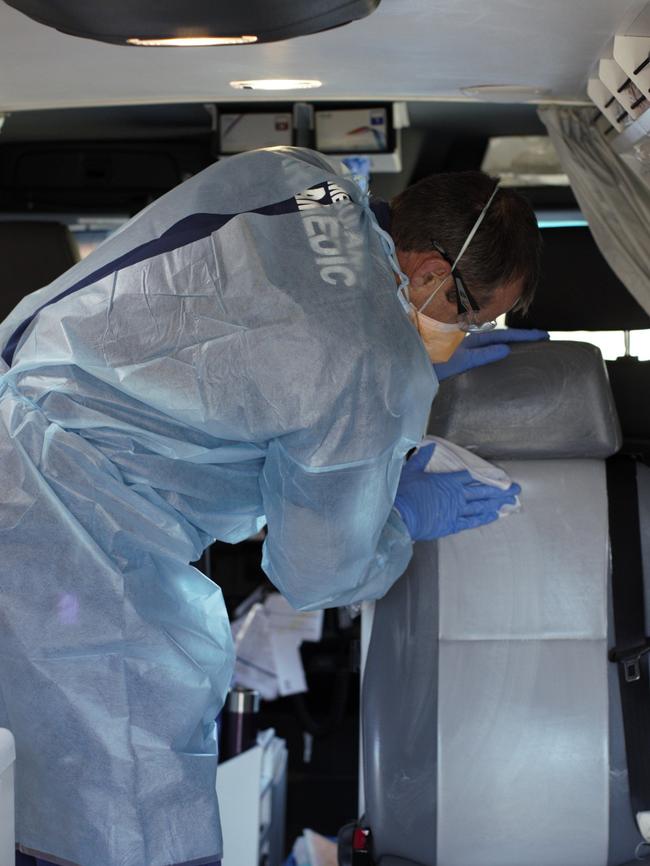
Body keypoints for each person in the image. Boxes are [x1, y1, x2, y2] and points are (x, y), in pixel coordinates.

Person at [0, 146, 542, 866]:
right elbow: (318, 571)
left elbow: (277, 319)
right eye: (469, 316)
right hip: (64, 534)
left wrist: (403, 351)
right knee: (123, 812)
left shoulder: (307, 178)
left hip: (21, 422)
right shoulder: (367, 366)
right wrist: (401, 514)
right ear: (431, 274)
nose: (461, 335)